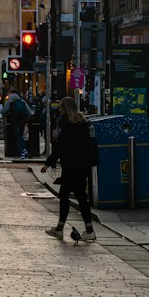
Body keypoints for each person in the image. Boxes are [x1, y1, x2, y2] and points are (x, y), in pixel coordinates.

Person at [41, 96, 96, 242]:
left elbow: (61, 147)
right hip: (82, 166)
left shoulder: (65, 124)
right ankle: (88, 230)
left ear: (65, 109)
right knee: (80, 198)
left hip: (71, 166)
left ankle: (60, 229)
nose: (59, 110)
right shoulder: (83, 122)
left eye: (60, 108)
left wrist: (48, 163)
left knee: (65, 196)